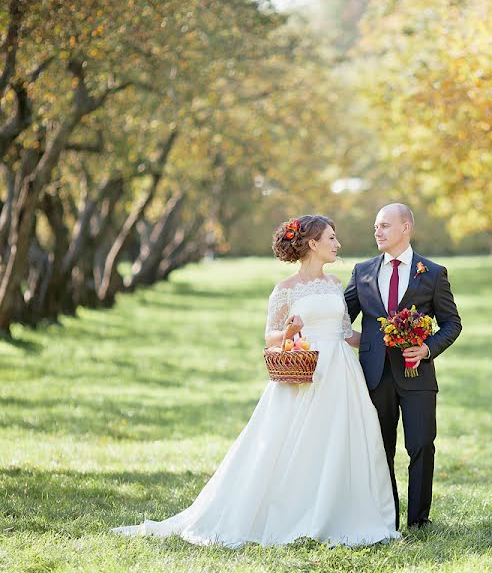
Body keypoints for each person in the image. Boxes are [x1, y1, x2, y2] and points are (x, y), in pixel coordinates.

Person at [111, 215, 399, 548]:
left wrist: (387, 339)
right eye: (332, 238)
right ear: (312, 244)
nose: (338, 244)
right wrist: (289, 332)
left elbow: (346, 333)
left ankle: (339, 510)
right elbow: (270, 338)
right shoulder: (285, 290)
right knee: (290, 446)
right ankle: (292, 511)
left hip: (342, 377)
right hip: (304, 373)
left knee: (339, 442)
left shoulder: (336, 284)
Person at [344, 203, 462, 531]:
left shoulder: (433, 273)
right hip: (374, 376)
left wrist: (427, 348)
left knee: (421, 444)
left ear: (405, 228)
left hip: (418, 375)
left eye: (383, 225)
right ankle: (387, 519)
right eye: (375, 226)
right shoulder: (363, 271)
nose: (377, 231)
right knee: (381, 449)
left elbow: (452, 323)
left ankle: (419, 521)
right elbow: (342, 319)